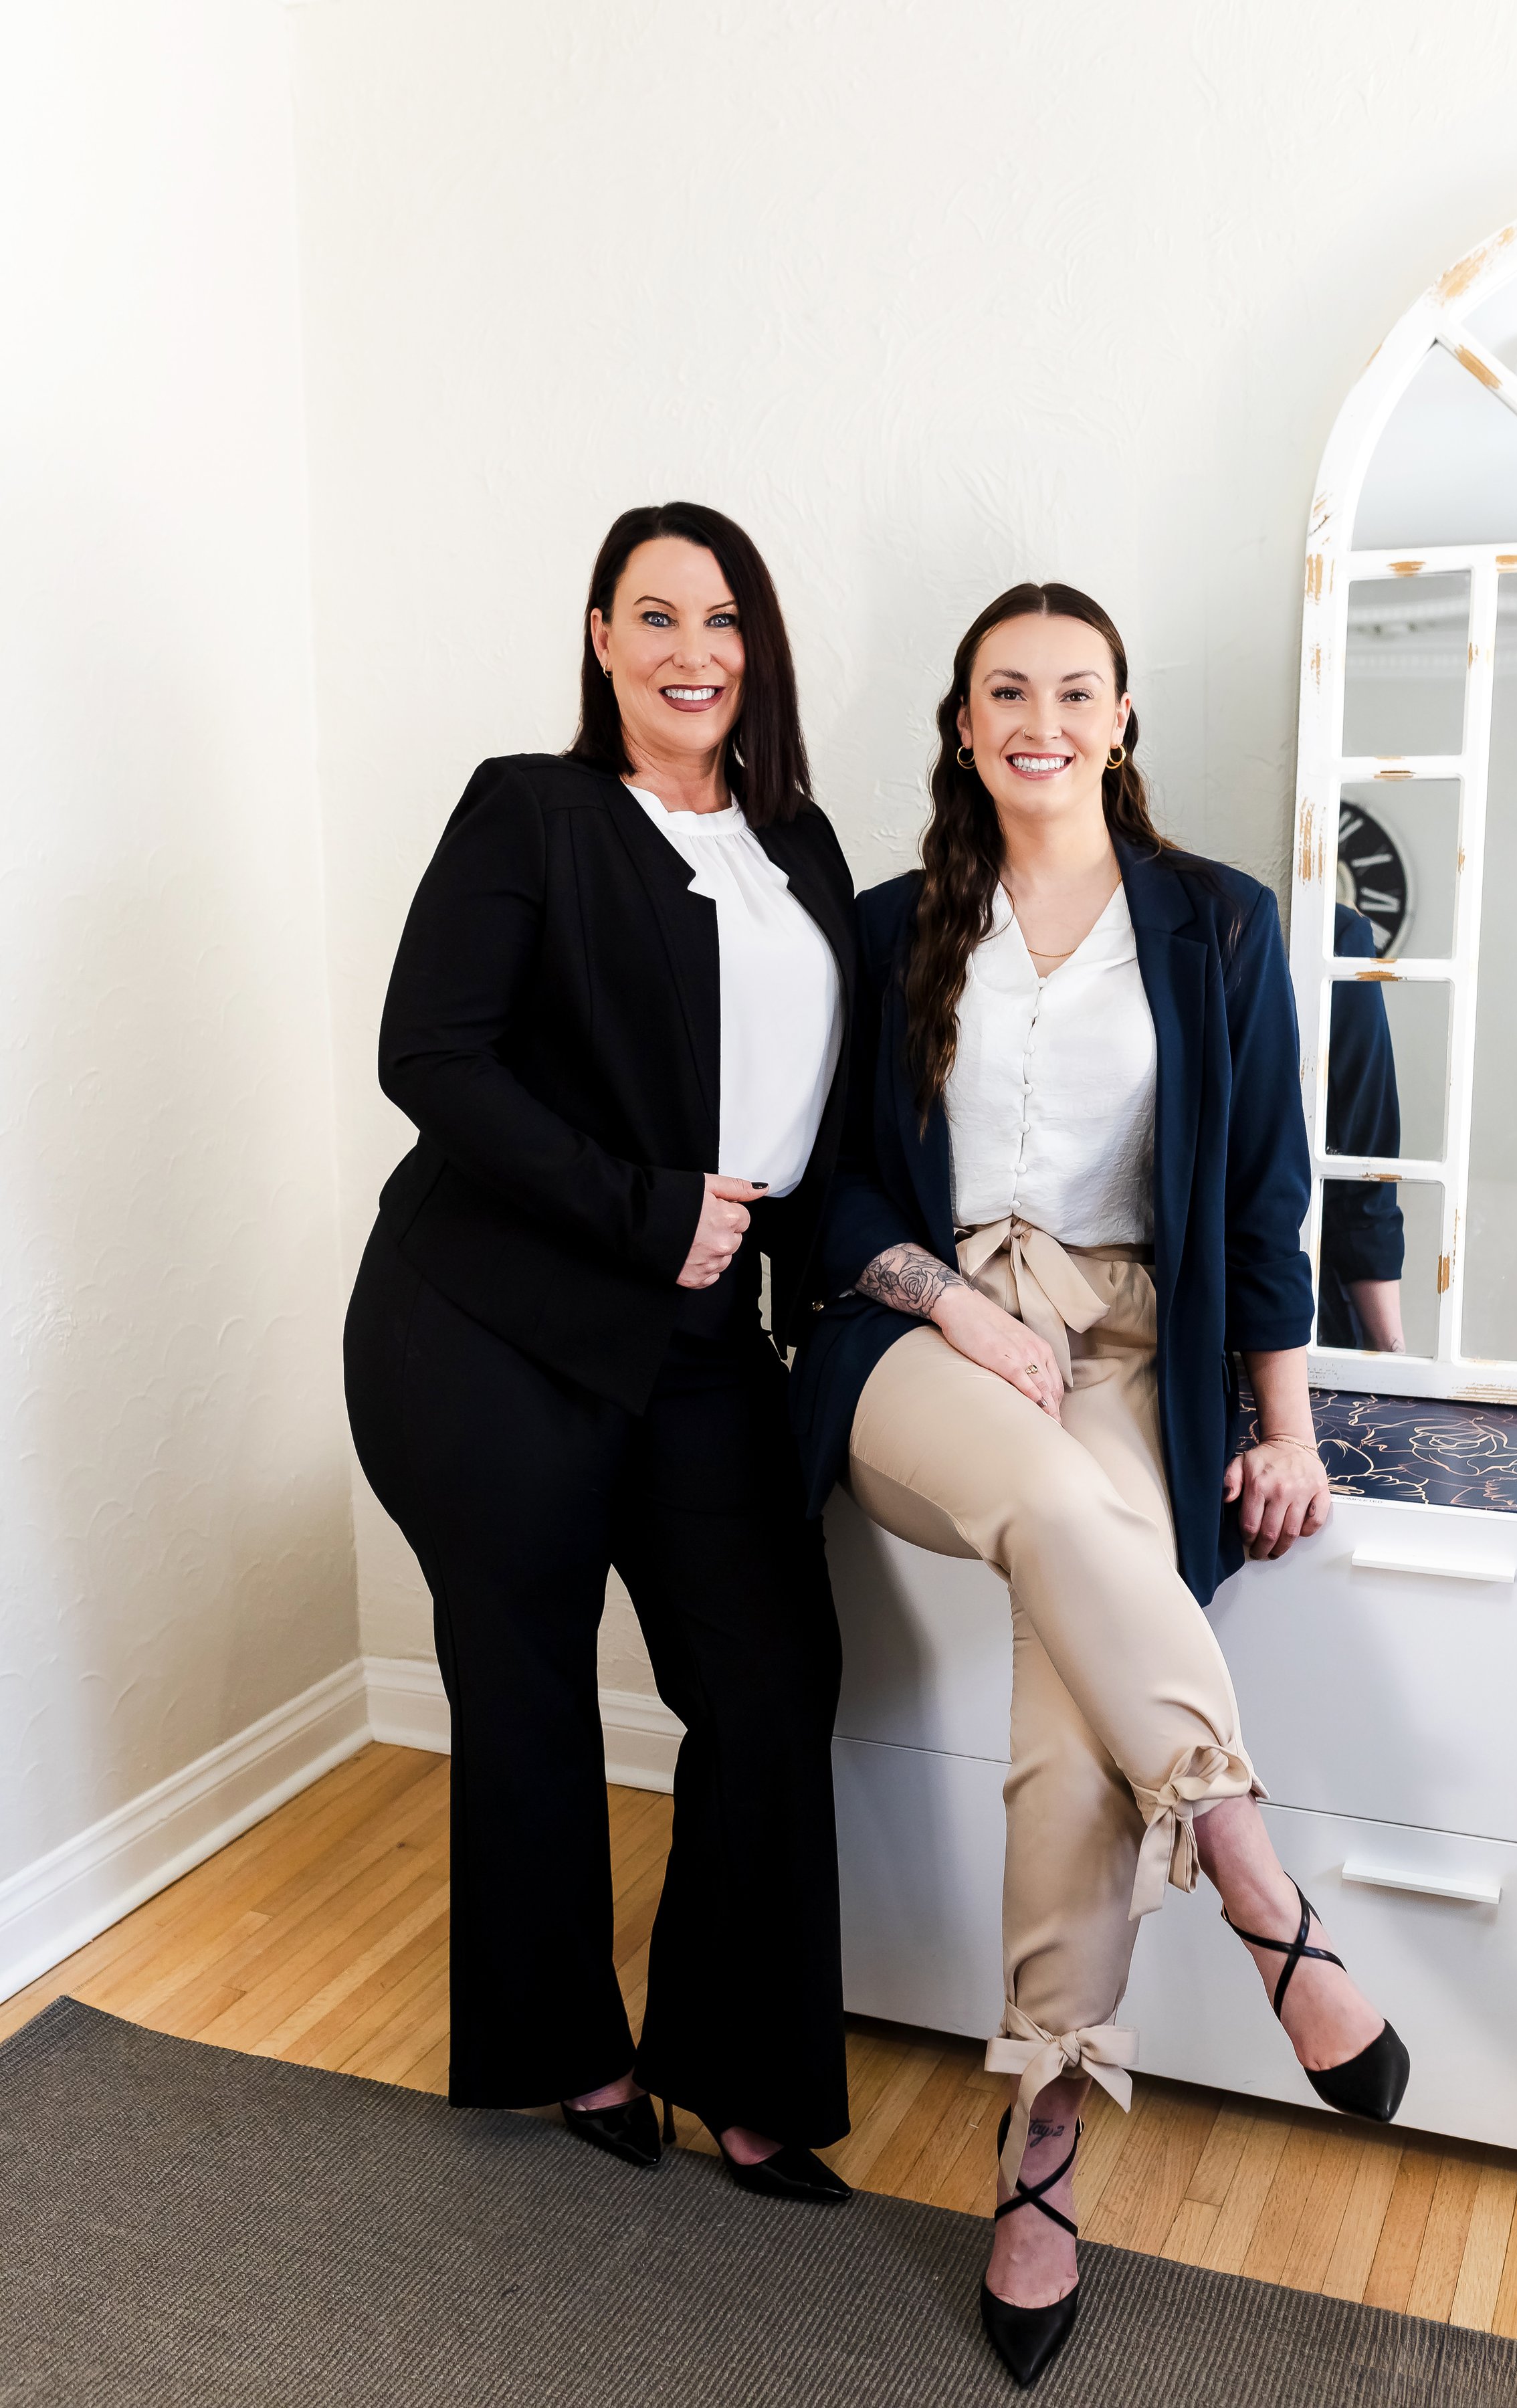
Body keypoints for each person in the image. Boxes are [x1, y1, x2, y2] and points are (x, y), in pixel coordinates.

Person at [791, 582, 1409, 2383]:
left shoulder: (1216, 926)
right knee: (1057, 1516)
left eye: (1076, 690)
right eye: (1007, 690)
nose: (1040, 719)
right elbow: (830, 1194)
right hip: (919, 1348)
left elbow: (1261, 1192)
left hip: (1131, 1352)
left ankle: (1039, 2150)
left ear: (1123, 717)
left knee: (1073, 1732)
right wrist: (936, 1304)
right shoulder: (894, 923)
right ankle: (1256, 1876)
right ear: (965, 719)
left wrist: (1279, 1426)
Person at [344, 502, 856, 2203]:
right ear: (598, 640)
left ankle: (743, 2068)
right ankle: (568, 2049)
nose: (691, 649)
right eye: (653, 616)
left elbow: (812, 1118)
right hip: (490, 1326)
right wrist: (641, 1210)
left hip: (703, 1340)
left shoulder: (800, 845)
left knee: (770, 1683)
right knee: (529, 1691)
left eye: (719, 618)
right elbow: (428, 1053)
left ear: (753, 645)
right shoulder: (534, 809)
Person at [1319, 902, 1408, 1352]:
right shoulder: (1332, 930)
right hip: (1300, 1300)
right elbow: (1363, 1149)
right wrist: (1391, 1351)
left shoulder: (1335, 931)